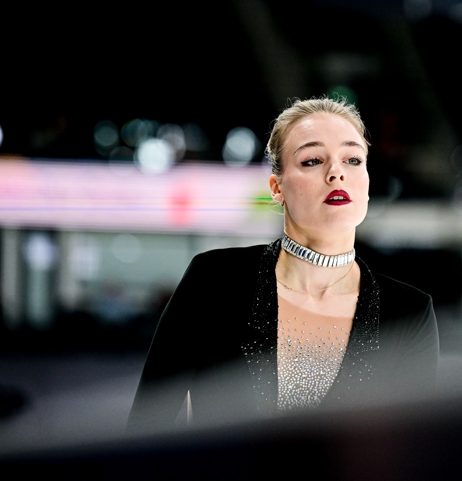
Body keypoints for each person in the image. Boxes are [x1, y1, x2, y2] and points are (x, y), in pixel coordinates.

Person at [128, 97, 438, 430]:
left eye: (352, 159)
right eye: (312, 160)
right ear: (277, 188)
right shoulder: (214, 281)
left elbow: (415, 448)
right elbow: (145, 428)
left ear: (367, 181)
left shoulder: (408, 312)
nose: (337, 173)